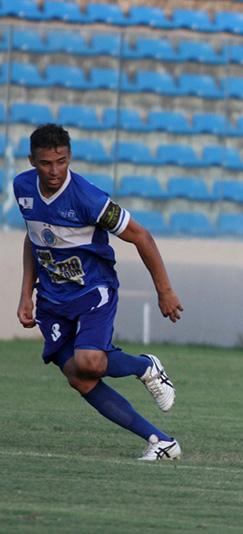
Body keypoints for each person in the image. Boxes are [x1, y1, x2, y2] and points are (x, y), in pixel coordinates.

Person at [14, 123, 184, 461]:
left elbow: (142, 237)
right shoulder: (22, 187)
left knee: (88, 361)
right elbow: (34, 237)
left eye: (61, 161)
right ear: (32, 160)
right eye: (46, 163)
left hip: (93, 291)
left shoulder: (89, 199)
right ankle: (161, 441)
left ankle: (144, 367)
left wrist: (164, 291)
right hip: (51, 300)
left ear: (70, 157)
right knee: (79, 377)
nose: (54, 170)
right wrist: (25, 294)